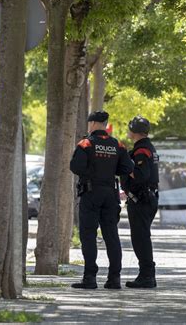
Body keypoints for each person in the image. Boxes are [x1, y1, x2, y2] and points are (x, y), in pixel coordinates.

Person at [70, 110, 134, 289]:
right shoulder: (117, 145)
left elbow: (75, 166)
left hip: (91, 193)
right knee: (111, 235)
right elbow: (128, 167)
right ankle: (114, 279)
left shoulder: (86, 144)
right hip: (110, 194)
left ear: (92, 124)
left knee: (88, 235)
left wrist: (92, 173)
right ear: (105, 125)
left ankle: (89, 278)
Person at [121, 115, 159, 288]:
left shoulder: (142, 150)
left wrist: (126, 166)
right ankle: (146, 274)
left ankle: (147, 276)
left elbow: (141, 175)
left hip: (141, 200)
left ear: (133, 131)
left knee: (140, 238)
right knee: (141, 237)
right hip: (146, 198)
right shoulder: (147, 148)